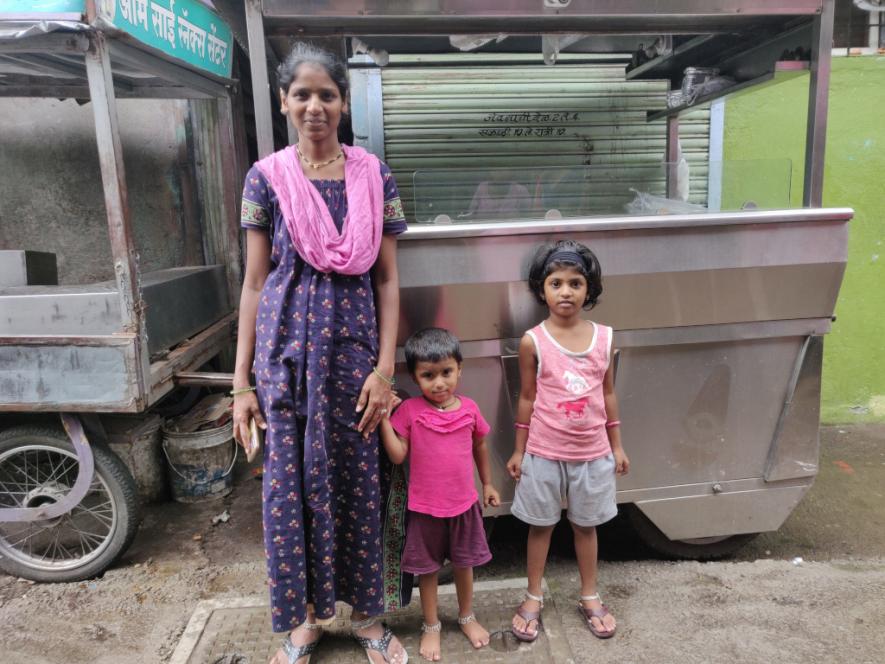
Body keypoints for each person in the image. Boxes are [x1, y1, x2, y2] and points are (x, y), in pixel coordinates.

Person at [231, 43, 410, 664]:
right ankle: (304, 621)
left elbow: (387, 281)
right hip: (283, 358)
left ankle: (366, 618)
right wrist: (240, 385)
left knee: (360, 483)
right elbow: (255, 283)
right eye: (302, 94)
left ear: (343, 102)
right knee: (289, 488)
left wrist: (386, 371)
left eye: (326, 95)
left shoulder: (372, 174)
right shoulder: (266, 177)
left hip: (353, 361)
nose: (314, 106)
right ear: (284, 102)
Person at [506, 240, 630, 642]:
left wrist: (617, 445)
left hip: (593, 454)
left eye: (575, 283)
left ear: (588, 290)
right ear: (541, 289)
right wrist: (519, 451)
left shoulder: (605, 338)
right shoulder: (533, 341)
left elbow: (608, 393)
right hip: (543, 453)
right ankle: (533, 596)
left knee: (586, 526)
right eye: (556, 283)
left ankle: (590, 595)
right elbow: (526, 397)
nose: (565, 291)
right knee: (540, 528)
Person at [378, 328, 501, 662]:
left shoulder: (470, 409)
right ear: (416, 378)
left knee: (464, 564)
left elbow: (480, 445)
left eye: (446, 372)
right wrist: (384, 421)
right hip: (425, 510)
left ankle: (466, 616)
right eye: (428, 376)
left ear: (460, 369)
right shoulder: (410, 411)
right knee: (427, 570)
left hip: (464, 505)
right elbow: (397, 456)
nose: (439, 383)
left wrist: (488, 484)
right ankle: (431, 624)